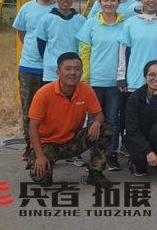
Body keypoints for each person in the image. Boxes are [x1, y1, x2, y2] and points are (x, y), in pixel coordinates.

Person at [26, 52, 112, 186]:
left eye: (77, 69)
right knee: (40, 178)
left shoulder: (86, 90)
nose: (73, 72)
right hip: (48, 143)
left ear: (81, 72)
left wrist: (96, 123)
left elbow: (99, 115)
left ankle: (95, 173)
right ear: (58, 72)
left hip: (72, 141)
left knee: (105, 129)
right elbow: (33, 127)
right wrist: (40, 156)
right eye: (68, 68)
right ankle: (47, 165)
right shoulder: (43, 94)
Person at [117, 0, 157, 157]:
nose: (151, 0)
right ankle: (130, 147)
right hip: (134, 79)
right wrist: (121, 77)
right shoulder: (130, 23)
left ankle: (156, 149)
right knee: (130, 118)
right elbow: (123, 53)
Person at [76, 0, 125, 171]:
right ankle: (95, 155)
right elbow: (84, 51)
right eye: (105, 0)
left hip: (115, 82)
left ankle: (111, 155)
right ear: (99, 3)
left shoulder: (125, 24)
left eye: (113, 0)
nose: (109, 3)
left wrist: (123, 78)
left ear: (118, 3)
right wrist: (84, 78)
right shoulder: (91, 23)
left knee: (113, 119)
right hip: (94, 81)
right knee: (93, 120)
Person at [12, 0, 58, 161]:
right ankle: (30, 145)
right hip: (30, 67)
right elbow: (22, 34)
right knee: (29, 109)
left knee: (53, 110)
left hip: (54, 69)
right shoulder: (27, 8)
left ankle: (51, 146)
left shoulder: (61, 9)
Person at [35, 0, 86, 85]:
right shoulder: (46, 19)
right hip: (52, 72)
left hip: (74, 73)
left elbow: (83, 47)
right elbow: (41, 46)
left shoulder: (81, 20)